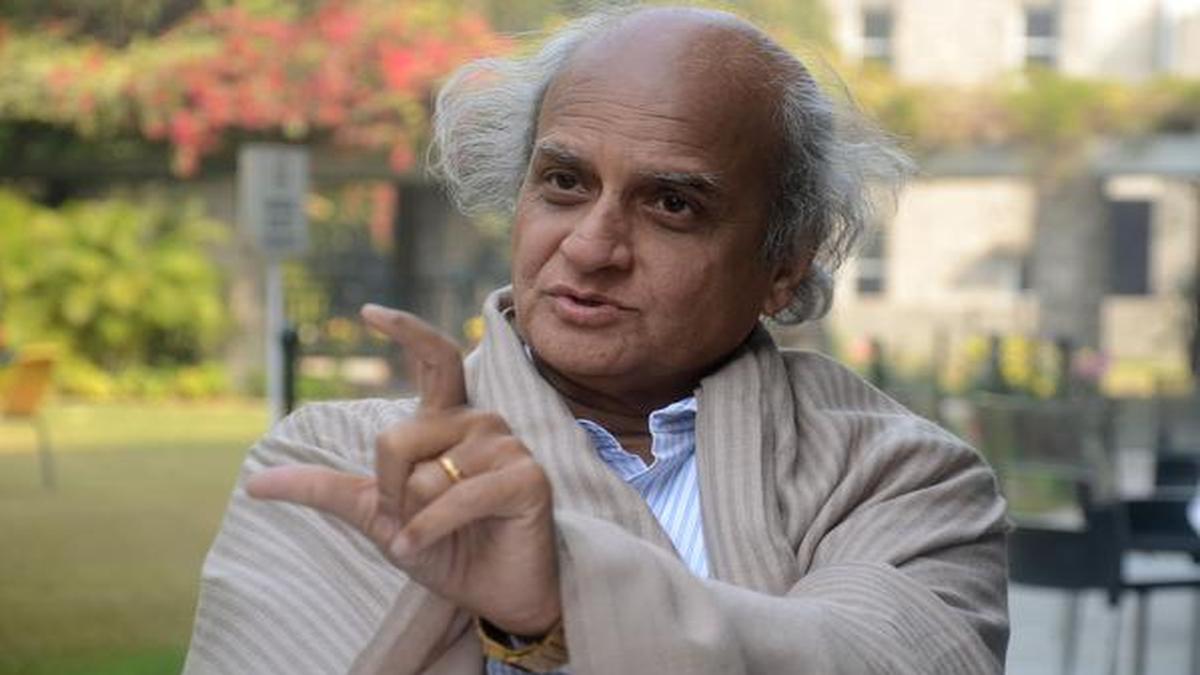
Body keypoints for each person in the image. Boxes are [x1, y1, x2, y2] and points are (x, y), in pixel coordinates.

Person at [183, 7, 1008, 674]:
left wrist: (562, 589)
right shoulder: (346, 467)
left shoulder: (898, 479)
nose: (590, 246)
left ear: (783, 266)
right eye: (564, 182)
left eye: (672, 205)